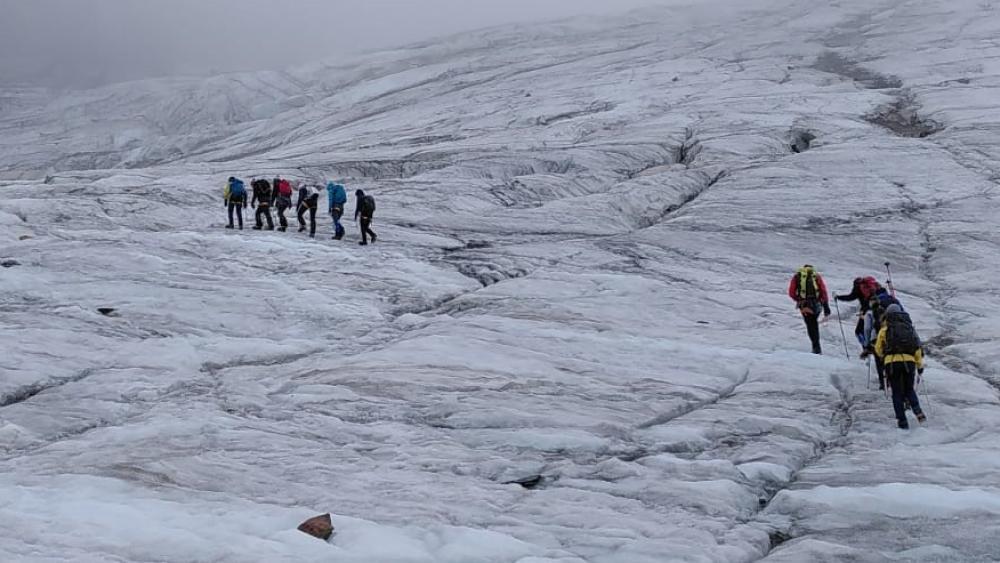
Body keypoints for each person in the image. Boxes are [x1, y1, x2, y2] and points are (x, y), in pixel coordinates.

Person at [875, 303, 926, 429]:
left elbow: (878, 349)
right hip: (909, 362)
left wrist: (884, 357)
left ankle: (902, 422)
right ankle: (917, 410)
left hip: (891, 362)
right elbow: (917, 348)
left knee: (896, 392)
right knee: (909, 389)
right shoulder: (909, 328)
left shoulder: (885, 329)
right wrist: (919, 366)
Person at [787, 264, 830, 354]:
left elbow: (791, 292)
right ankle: (816, 347)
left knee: (811, 325)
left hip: (805, 305)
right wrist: (826, 306)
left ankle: (816, 348)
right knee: (814, 323)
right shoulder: (816, 276)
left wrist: (799, 299)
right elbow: (823, 291)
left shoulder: (797, 276)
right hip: (817, 304)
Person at [835, 276, 881, 347]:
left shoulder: (858, 288)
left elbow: (850, 297)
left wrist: (838, 297)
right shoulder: (874, 288)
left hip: (865, 312)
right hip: (877, 310)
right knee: (875, 330)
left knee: (859, 331)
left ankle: (866, 347)